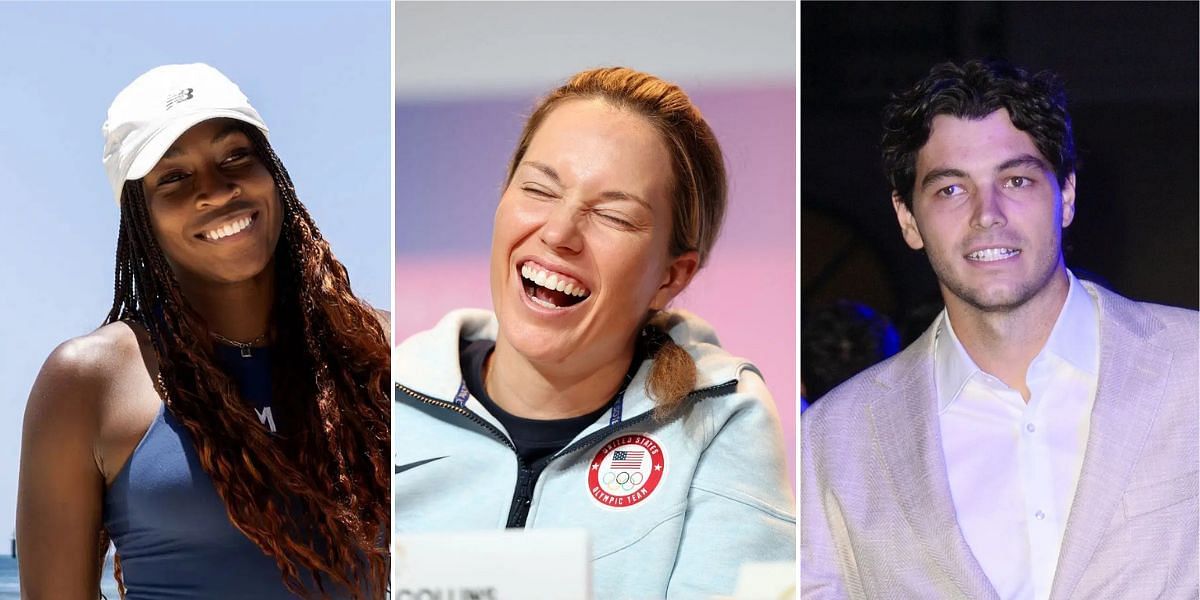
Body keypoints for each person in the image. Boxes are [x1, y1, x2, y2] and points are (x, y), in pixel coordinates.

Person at [801, 59, 1198, 599]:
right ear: (907, 219)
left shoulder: (1189, 364)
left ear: (1066, 196)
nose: (988, 213)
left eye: (1017, 179)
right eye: (950, 190)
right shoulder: (831, 443)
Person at [393, 67, 795, 598]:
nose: (559, 233)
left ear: (671, 276)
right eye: (539, 189)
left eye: (613, 216)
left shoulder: (720, 419)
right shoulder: (384, 396)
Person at [16, 64, 390, 599]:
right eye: (173, 177)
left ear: (273, 173)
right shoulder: (89, 382)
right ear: (139, 217)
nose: (215, 191)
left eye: (236, 156)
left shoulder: (378, 352)